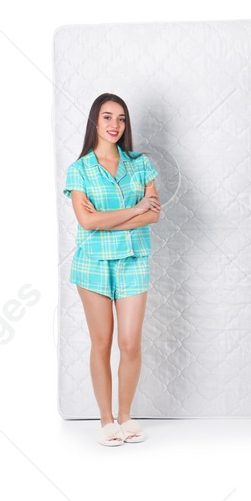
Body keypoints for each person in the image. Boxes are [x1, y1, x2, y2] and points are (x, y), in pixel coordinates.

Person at [64, 93, 161, 445]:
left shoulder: (141, 164)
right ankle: (106, 420)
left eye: (120, 118)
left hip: (134, 261)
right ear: (95, 122)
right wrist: (134, 211)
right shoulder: (80, 169)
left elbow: (155, 212)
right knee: (102, 343)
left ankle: (126, 416)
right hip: (92, 265)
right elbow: (86, 223)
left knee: (130, 343)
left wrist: (113, 218)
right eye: (107, 117)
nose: (114, 125)